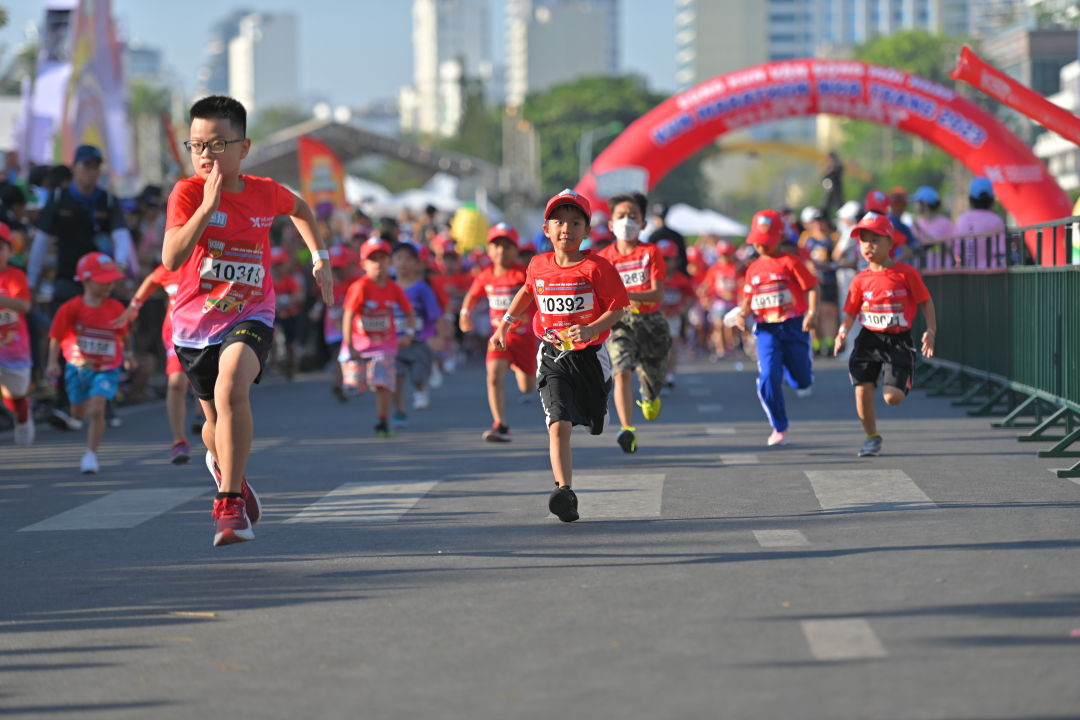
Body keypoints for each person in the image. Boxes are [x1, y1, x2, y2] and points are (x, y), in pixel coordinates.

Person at [163, 95, 334, 547]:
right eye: (196, 145)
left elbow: (302, 210)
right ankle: (223, 463)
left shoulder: (264, 191)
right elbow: (171, 257)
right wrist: (206, 206)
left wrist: (321, 258)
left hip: (251, 311)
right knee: (213, 422)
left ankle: (229, 504)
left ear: (243, 148)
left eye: (217, 145)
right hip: (194, 325)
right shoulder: (185, 193)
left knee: (231, 384)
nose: (205, 155)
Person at [490, 189, 628, 522]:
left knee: (595, 422)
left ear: (587, 231)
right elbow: (527, 291)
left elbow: (619, 309)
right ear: (546, 228)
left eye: (575, 222)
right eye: (558, 222)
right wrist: (504, 326)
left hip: (591, 356)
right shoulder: (537, 265)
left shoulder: (597, 267)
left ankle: (598, 407)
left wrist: (592, 329)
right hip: (552, 353)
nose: (566, 228)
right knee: (558, 424)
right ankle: (563, 491)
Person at [28, 145, 136, 430]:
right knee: (67, 342)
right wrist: (30, 281)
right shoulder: (59, 198)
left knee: (103, 340)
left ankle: (105, 405)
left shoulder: (108, 201)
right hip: (68, 281)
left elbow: (121, 237)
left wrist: (121, 267)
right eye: (86, 166)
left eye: (96, 166)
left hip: (100, 285)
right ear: (74, 167)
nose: (91, 172)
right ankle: (66, 406)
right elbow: (40, 242)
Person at [835, 212, 937, 457]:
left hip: (898, 340)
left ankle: (902, 374)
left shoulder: (906, 274)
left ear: (890, 243)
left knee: (893, 398)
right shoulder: (859, 280)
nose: (868, 246)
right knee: (862, 391)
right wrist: (842, 331)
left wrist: (931, 330)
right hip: (869, 338)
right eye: (863, 240)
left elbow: (926, 301)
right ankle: (871, 438)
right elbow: (850, 312)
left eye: (875, 240)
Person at [735, 210, 820, 446]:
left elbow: (812, 287)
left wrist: (812, 313)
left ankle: (796, 377)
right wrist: (743, 313)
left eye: (767, 242)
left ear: (780, 238)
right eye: (758, 242)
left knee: (801, 381)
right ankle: (780, 428)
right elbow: (748, 297)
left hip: (794, 325)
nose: (761, 247)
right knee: (768, 376)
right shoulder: (753, 269)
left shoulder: (791, 262)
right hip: (766, 330)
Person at [597, 192, 670, 454]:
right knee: (622, 371)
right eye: (621, 216)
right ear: (610, 223)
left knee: (651, 377)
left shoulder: (651, 253)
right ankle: (627, 429)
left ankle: (650, 397)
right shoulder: (603, 258)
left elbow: (657, 293)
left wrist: (626, 295)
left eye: (633, 216)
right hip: (619, 323)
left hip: (651, 322)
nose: (626, 221)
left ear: (643, 223)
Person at [46, 253, 133, 472]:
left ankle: (91, 454)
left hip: (106, 369)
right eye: (103, 280)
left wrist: (129, 356)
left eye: (112, 280)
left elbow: (124, 335)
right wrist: (51, 363)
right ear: (85, 280)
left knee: (97, 409)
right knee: (78, 413)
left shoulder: (115, 308)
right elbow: (56, 336)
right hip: (77, 367)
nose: (109, 285)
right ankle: (75, 418)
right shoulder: (70, 308)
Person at [459, 223, 537, 442]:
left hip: (524, 339)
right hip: (499, 339)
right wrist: (464, 314)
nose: (501, 251)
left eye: (507, 246)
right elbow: (472, 296)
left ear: (515, 250)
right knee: (493, 377)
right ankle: (500, 425)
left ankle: (515, 364)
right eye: (496, 246)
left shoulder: (523, 273)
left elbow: (540, 293)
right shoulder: (485, 276)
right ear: (488, 249)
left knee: (527, 387)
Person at [113, 261, 195, 463]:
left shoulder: (214, 257)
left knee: (208, 387)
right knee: (176, 384)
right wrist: (134, 305)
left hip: (211, 334)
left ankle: (214, 431)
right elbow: (152, 279)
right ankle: (179, 442)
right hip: (178, 336)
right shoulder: (173, 264)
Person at [341, 238, 415, 438]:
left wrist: (408, 334)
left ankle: (382, 420)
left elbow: (409, 312)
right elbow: (348, 316)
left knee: (382, 380)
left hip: (385, 344)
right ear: (363, 264)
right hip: (358, 344)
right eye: (372, 259)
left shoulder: (393, 287)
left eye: (382, 258)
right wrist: (349, 346)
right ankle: (351, 378)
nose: (378, 263)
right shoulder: (360, 287)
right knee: (355, 388)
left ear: (389, 261)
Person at [390, 242, 442, 424]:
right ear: (392, 262)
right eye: (399, 258)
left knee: (417, 375)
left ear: (417, 264)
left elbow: (435, 314)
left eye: (409, 259)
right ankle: (399, 411)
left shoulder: (422, 288)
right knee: (396, 376)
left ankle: (421, 388)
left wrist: (439, 337)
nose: (403, 262)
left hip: (419, 341)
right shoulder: (389, 288)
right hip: (394, 342)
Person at [0, 222, 34, 445]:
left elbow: (24, 305)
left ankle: (22, 418)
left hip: (13, 347)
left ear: (10, 251)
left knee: (15, 395)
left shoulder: (14, 276)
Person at [798, 208, 839, 356]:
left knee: (827, 312)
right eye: (816, 221)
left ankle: (828, 344)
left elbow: (837, 257)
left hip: (828, 279)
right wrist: (809, 266)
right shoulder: (806, 237)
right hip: (811, 279)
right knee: (813, 311)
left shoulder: (833, 237)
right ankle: (815, 344)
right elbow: (800, 255)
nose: (819, 225)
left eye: (822, 221)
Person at [322, 244, 359, 402]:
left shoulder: (355, 282)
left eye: (340, 267)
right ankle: (340, 383)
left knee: (349, 355)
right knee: (336, 355)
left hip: (353, 327)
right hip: (332, 327)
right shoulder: (325, 282)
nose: (337, 271)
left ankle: (351, 381)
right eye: (334, 267)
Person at [657, 238, 694, 391]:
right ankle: (657, 375)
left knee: (672, 345)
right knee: (658, 347)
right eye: (661, 259)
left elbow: (690, 297)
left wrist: (684, 309)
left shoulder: (682, 280)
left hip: (673, 317)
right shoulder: (652, 278)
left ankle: (669, 375)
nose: (665, 263)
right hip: (655, 317)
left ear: (676, 260)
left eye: (668, 259)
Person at [698, 239, 741, 359]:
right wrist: (704, 296)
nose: (725, 257)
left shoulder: (736, 267)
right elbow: (706, 285)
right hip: (719, 301)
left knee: (731, 325)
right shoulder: (714, 269)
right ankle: (721, 350)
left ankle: (731, 345)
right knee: (719, 324)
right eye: (723, 254)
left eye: (727, 254)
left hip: (734, 302)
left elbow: (742, 283)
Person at [954, 177, 1005, 268]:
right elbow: (1001, 251)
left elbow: (957, 251)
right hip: (991, 274)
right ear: (991, 199)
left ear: (970, 198)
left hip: (966, 273)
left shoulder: (962, 219)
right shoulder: (996, 220)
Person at [269, 246, 303, 379]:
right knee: (275, 336)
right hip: (276, 316)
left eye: (281, 264)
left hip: (291, 316)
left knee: (291, 345)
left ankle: (291, 367)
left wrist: (283, 298)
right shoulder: (268, 280)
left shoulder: (290, 280)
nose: (279, 268)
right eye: (276, 265)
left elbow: (299, 296)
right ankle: (275, 366)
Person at [643, 201, 687, 267]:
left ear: (654, 218)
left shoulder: (653, 237)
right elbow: (683, 260)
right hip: (675, 273)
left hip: (660, 273)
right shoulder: (676, 236)